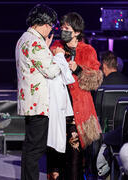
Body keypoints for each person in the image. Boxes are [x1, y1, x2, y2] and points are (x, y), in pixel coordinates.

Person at [50, 12, 103, 179]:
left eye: (68, 28)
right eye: (62, 27)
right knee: (55, 161)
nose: (63, 31)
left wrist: (78, 69)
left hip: (77, 113)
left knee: (74, 161)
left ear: (77, 32)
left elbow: (95, 81)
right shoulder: (55, 47)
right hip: (56, 110)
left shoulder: (87, 50)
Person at [16, 4, 66, 180]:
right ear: (44, 23)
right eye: (51, 25)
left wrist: (46, 48)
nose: (51, 29)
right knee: (35, 150)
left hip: (31, 101)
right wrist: (59, 56)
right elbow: (51, 71)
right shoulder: (34, 42)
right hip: (38, 103)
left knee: (30, 148)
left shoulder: (25, 38)